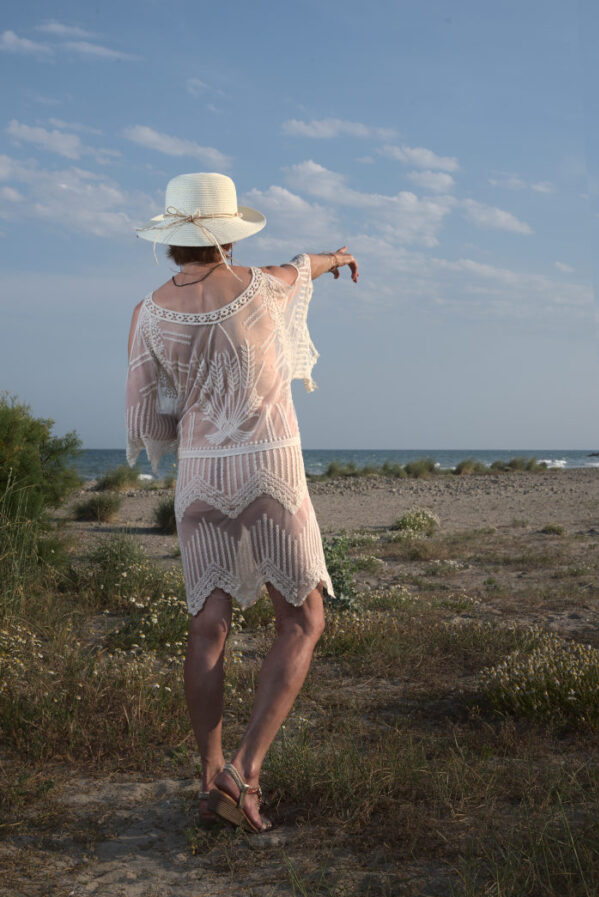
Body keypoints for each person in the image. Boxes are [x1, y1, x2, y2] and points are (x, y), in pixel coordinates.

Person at [125, 172, 358, 833]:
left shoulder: (146, 314)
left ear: (172, 239)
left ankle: (208, 778)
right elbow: (299, 266)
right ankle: (245, 773)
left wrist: (203, 408)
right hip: (269, 466)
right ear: (227, 232)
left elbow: (153, 425)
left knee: (207, 628)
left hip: (199, 479)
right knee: (302, 620)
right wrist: (337, 257)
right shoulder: (264, 287)